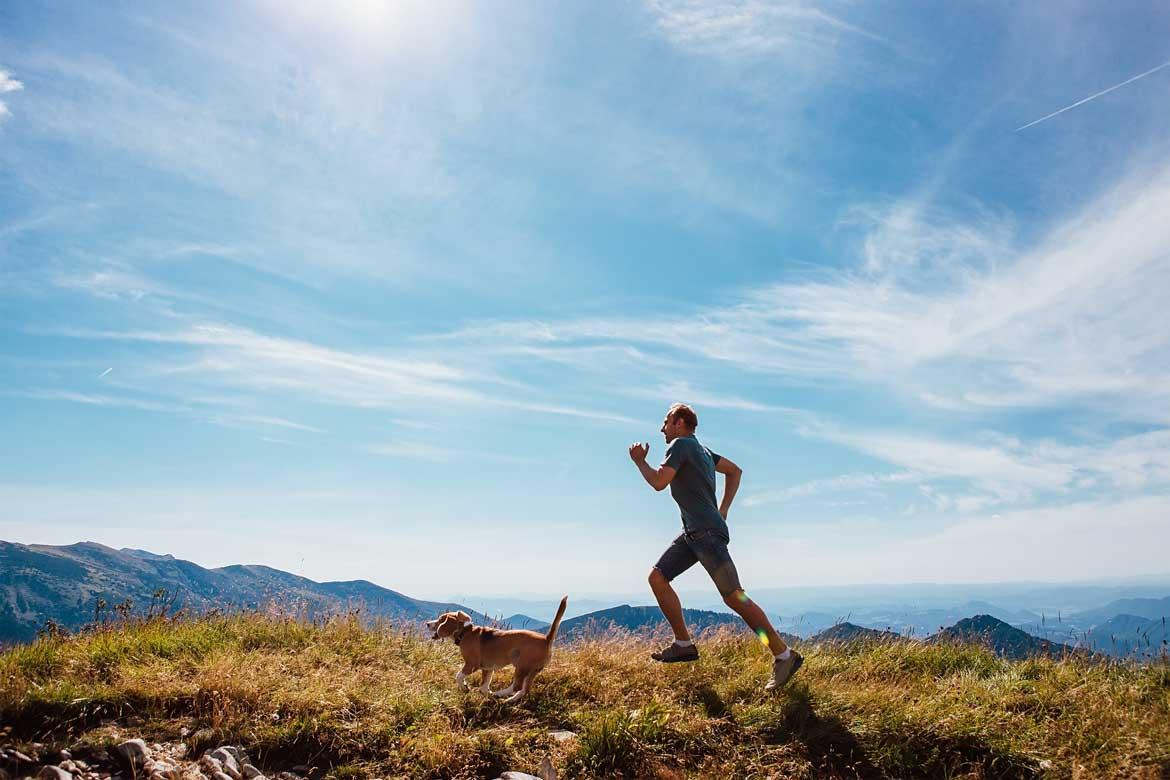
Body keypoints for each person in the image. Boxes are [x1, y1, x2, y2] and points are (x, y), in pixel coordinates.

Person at [628, 403, 802, 691]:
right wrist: (723, 510)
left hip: (706, 534)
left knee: (734, 596)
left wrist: (639, 462)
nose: (662, 429)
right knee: (657, 577)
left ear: (681, 423)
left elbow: (659, 482)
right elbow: (734, 471)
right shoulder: (705, 452)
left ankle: (784, 655)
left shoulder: (681, 445)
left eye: (666, 422)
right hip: (695, 533)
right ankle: (683, 643)